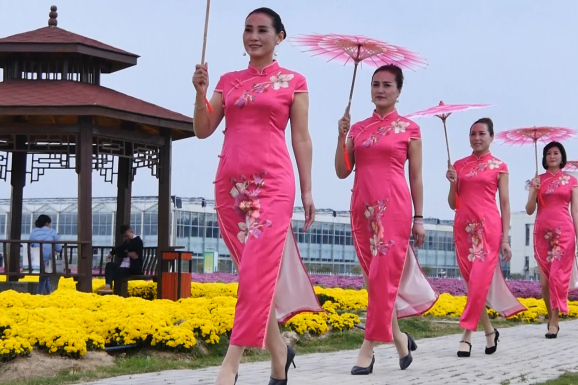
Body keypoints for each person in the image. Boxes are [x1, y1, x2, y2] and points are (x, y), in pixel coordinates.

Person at [192, 7, 322, 385]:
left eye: (263, 30)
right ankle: (280, 353)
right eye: (248, 29)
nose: (254, 36)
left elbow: (301, 137)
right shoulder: (228, 81)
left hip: (274, 185)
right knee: (253, 275)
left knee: (254, 273)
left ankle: (230, 364)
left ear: (280, 36)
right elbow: (203, 129)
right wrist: (200, 94)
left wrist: (309, 189)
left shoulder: (294, 81)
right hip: (230, 187)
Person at [335, 64, 438, 375]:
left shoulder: (410, 129)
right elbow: (342, 171)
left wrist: (419, 218)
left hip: (394, 209)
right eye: (375, 84)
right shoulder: (358, 128)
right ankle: (400, 341)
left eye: (387, 85)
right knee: (374, 281)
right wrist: (341, 137)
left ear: (399, 91)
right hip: (361, 208)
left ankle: (367, 350)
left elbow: (416, 178)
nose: (380, 90)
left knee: (382, 277)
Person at [445, 118, 526, 357]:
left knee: (479, 282)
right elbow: (453, 204)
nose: (477, 138)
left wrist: (505, 239)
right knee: (473, 286)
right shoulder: (458, 165)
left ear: (492, 137)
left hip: (488, 230)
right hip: (463, 229)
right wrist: (452, 183)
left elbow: (505, 203)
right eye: (472, 134)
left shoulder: (500, 166)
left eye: (482, 133)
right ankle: (490, 332)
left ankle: (466, 336)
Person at [525, 141, 578, 338]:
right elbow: (529, 210)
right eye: (548, 153)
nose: (552, 156)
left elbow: (575, 209)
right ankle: (551, 318)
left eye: (556, 153)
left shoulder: (571, 181)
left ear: (562, 156)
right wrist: (533, 191)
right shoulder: (537, 180)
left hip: (564, 233)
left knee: (557, 279)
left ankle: (554, 322)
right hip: (542, 232)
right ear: (544, 157)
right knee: (544, 283)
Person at [98, 225, 144, 294]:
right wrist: (128, 254)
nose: (125, 238)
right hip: (124, 266)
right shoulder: (127, 242)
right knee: (109, 265)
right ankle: (108, 286)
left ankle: (110, 288)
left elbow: (123, 247)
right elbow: (120, 253)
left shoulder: (137, 241)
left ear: (131, 232)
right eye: (124, 237)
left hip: (132, 268)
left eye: (126, 236)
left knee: (112, 273)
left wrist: (118, 251)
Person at [29, 214, 62, 295]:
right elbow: (58, 248)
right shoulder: (52, 232)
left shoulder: (33, 232)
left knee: (44, 275)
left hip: (35, 260)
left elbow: (31, 245)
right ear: (47, 223)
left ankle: (49, 292)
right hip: (48, 260)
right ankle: (39, 294)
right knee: (45, 273)